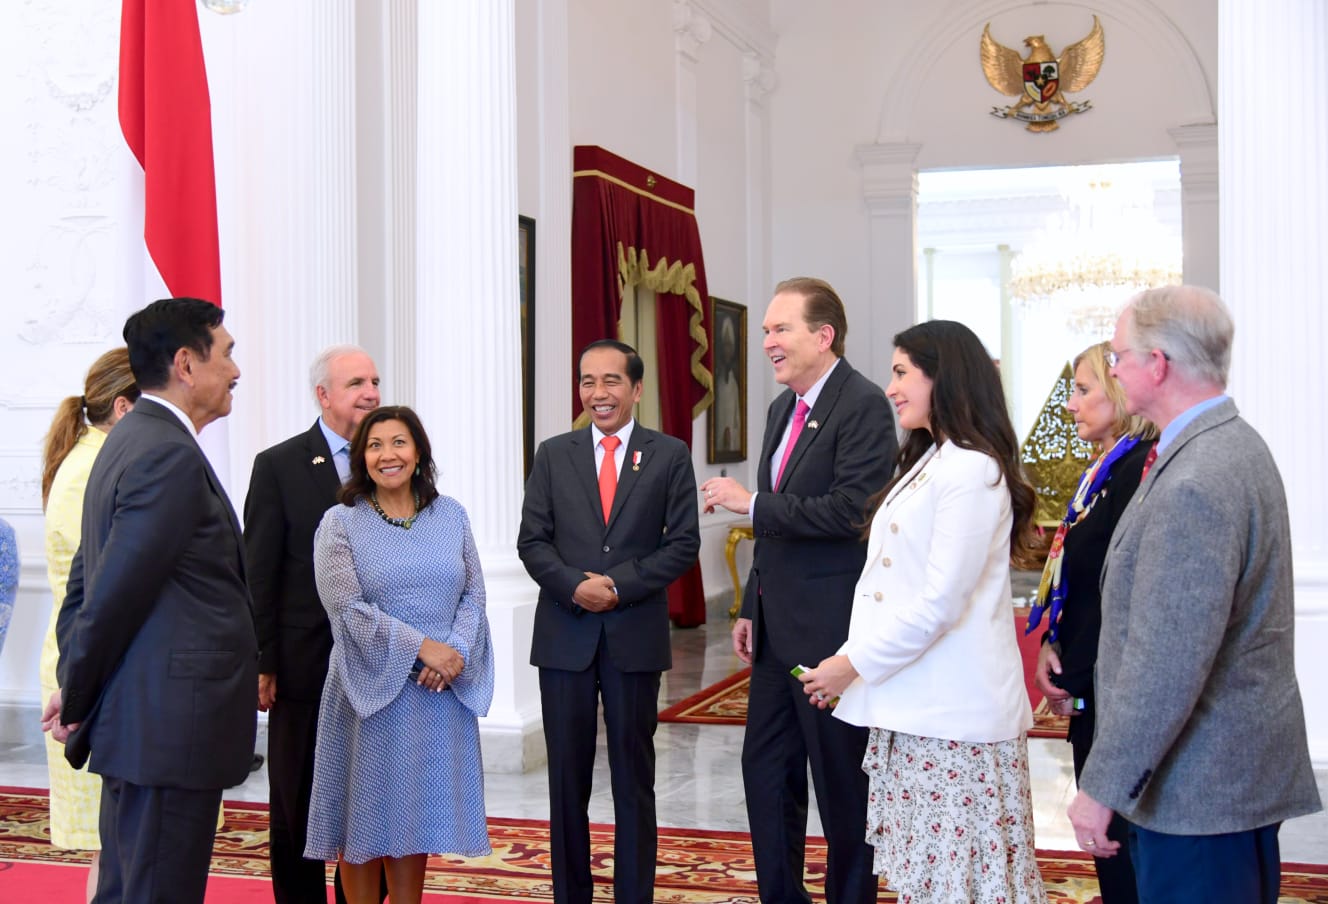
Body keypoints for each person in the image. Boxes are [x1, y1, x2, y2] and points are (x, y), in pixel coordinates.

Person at [1069, 286, 1321, 902]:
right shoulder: (1227, 442)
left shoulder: (1197, 476)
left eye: (1120, 355)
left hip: (1199, 790)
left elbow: (1167, 662)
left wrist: (1103, 786)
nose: (1115, 369)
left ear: (1157, 364)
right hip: (1221, 779)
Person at [796, 319, 1046, 903]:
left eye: (902, 373)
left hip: (954, 714)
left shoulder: (972, 469)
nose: (891, 388)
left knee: (963, 882)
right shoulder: (935, 458)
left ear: (944, 377)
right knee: (929, 878)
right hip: (920, 703)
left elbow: (940, 602)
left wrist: (851, 664)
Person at [43, 298, 256, 904]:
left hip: (148, 724)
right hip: (168, 729)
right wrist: (77, 696)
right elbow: (111, 592)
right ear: (186, 364)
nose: (236, 370)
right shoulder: (164, 450)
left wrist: (76, 683)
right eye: (227, 354)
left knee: (129, 890)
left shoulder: (130, 436)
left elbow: (87, 581)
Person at [700, 277, 894, 904]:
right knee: (766, 774)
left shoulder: (863, 405)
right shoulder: (780, 409)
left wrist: (751, 502)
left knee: (841, 788)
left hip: (830, 633)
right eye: (764, 331)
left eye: (780, 329)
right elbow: (777, 530)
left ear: (823, 335)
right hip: (773, 629)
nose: (767, 342)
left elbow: (851, 511)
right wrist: (749, 603)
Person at [517, 339, 701, 904]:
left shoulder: (668, 454)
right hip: (564, 636)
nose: (598, 393)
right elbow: (532, 541)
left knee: (633, 777)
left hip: (633, 635)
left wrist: (618, 586)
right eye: (587, 381)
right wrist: (575, 585)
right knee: (566, 780)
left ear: (636, 389)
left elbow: (683, 544)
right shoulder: (554, 454)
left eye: (611, 381)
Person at [305, 405, 494, 904]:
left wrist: (453, 654)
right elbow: (345, 607)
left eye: (398, 442)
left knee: (416, 819)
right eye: (374, 445)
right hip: (369, 692)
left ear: (418, 452)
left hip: (437, 693)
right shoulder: (341, 523)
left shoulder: (451, 514)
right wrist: (422, 650)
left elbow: (473, 594)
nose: (387, 455)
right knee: (364, 820)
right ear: (361, 458)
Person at [244, 345, 383, 904]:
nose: (371, 393)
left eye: (374, 381)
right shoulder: (279, 465)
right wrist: (263, 660)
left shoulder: (392, 459)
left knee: (369, 805)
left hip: (377, 667)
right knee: (296, 806)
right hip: (303, 667)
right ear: (323, 395)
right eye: (357, 384)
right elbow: (260, 571)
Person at [1025, 341, 1155, 903]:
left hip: (1116, 690)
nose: (1070, 404)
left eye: (1082, 390)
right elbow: (1078, 581)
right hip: (1089, 681)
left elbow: (1120, 593)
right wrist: (1052, 643)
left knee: (1122, 846)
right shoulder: (1101, 470)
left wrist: (1076, 673)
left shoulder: (1136, 469)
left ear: (1120, 393)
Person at [37, 348, 140, 901]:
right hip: (88, 671)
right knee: (115, 846)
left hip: (91, 666)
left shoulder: (94, 459)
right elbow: (104, 592)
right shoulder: (92, 471)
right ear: (124, 407)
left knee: (119, 845)